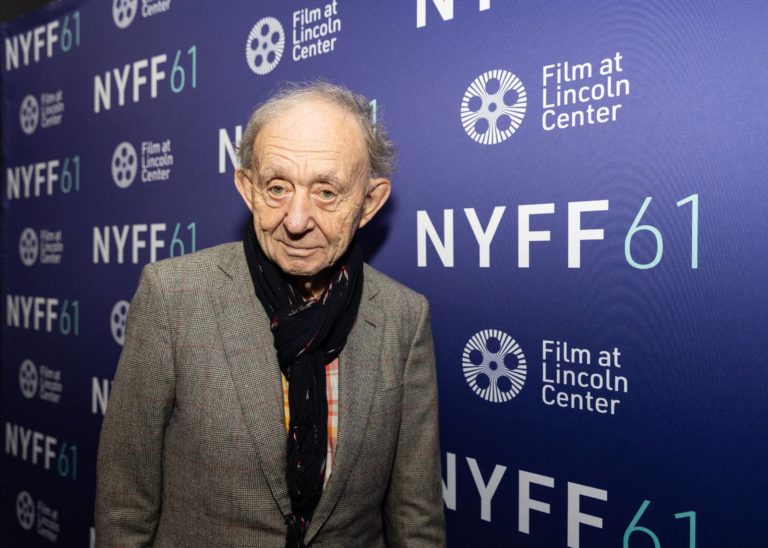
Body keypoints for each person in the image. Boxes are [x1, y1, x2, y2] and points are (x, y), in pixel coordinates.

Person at [95, 82, 445, 547]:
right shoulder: (173, 296)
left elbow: (416, 517)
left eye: (326, 192)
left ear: (369, 202)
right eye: (277, 188)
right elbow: (124, 504)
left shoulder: (404, 317)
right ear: (248, 189)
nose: (296, 221)